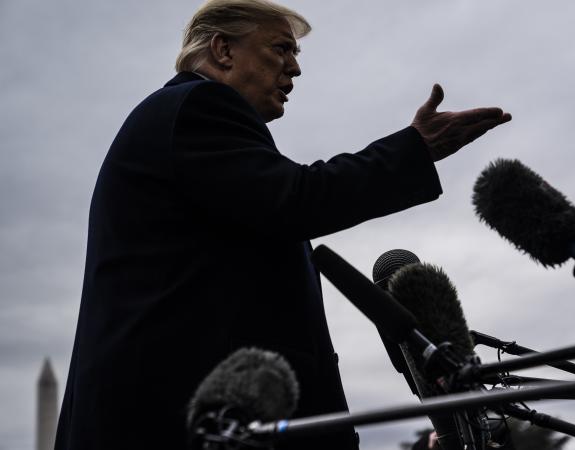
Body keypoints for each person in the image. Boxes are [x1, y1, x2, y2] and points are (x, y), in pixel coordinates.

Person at [54, 1, 511, 449]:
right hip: (183, 424)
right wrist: (415, 148)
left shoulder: (191, 126)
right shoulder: (197, 105)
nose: (294, 69)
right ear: (223, 50)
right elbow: (298, 199)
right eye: (280, 49)